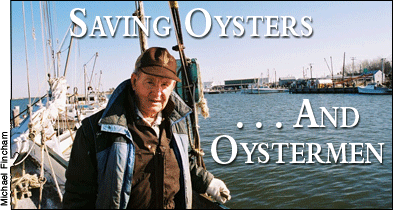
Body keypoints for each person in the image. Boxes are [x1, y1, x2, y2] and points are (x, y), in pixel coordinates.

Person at [63, 47, 230, 209]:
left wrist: (209, 183)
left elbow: (185, 163)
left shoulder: (176, 122)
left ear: (172, 87)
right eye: (150, 82)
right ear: (135, 81)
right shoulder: (94, 130)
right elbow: (78, 195)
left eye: (165, 84)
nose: (157, 93)